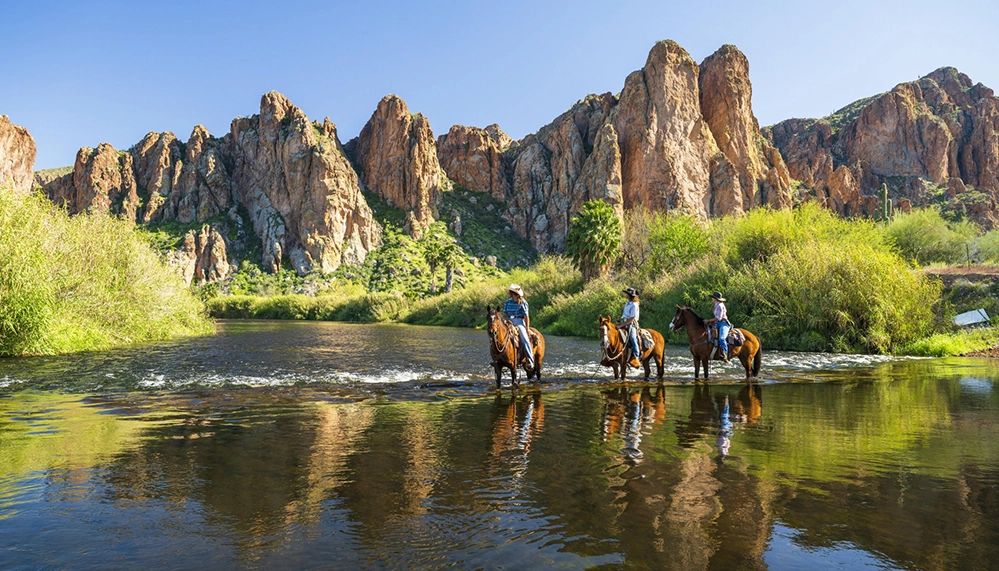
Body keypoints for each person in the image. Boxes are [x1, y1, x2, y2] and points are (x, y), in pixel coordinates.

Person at [503, 284, 534, 370]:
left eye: (510, 291)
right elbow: (504, 314)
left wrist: (527, 328)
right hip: (509, 321)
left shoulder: (523, 303)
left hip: (519, 322)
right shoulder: (507, 302)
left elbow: (526, 316)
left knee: (524, 339)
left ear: (513, 293)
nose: (508, 292)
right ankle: (498, 359)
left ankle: (530, 360)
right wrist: (504, 320)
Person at [704, 291, 730, 362]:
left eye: (713, 297)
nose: (712, 298)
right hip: (717, 323)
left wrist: (709, 320)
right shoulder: (716, 305)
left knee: (721, 338)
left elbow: (719, 318)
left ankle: (725, 354)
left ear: (715, 298)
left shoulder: (720, 305)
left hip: (723, 323)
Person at [620, 287, 642, 368]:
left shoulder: (634, 305)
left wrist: (622, 325)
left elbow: (632, 318)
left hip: (631, 323)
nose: (627, 296)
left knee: (632, 337)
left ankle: (637, 357)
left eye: (628, 295)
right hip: (624, 321)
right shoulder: (627, 303)